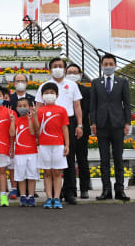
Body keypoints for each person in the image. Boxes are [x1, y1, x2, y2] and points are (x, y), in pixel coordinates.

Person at [35, 57, 83, 205]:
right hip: (48, 125)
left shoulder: (72, 85)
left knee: (68, 158)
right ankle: (55, 195)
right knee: (51, 165)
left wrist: (79, 124)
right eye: (54, 66)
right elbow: (37, 107)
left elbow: (77, 106)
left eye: (60, 66)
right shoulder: (44, 86)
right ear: (50, 69)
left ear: (64, 68)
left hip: (67, 121)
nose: (57, 68)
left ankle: (70, 192)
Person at [90, 53, 131, 201]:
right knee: (104, 159)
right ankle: (106, 190)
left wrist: (127, 123)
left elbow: (127, 104)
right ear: (101, 66)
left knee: (118, 158)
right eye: (105, 64)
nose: (108, 67)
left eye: (110, 64)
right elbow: (93, 105)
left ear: (115, 65)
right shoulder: (95, 82)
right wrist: (93, 122)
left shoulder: (122, 82)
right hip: (101, 125)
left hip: (118, 124)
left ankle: (120, 190)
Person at [32, 82, 70, 209]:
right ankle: (49, 198)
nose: (49, 95)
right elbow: (36, 130)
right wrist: (35, 116)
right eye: (46, 93)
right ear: (42, 96)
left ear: (57, 95)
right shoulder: (40, 110)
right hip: (44, 145)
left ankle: (57, 198)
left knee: (57, 172)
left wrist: (67, 145)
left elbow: (65, 128)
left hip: (58, 145)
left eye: (52, 93)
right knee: (47, 173)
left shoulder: (62, 110)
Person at [64, 64, 91, 199]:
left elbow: (85, 109)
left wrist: (78, 124)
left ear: (80, 75)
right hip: (66, 127)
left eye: (75, 72)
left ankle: (84, 188)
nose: (72, 74)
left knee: (82, 159)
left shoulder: (86, 91)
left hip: (81, 128)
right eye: (70, 72)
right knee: (68, 160)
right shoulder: (64, 89)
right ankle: (69, 189)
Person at [8, 73, 37, 199]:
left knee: (30, 171)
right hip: (17, 143)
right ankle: (16, 189)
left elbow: (34, 130)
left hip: (30, 146)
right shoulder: (8, 98)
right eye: (17, 80)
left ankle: (30, 193)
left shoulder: (32, 98)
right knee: (16, 168)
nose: (20, 83)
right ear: (14, 83)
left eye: (22, 80)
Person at [10, 97, 39, 207]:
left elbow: (33, 132)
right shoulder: (16, 120)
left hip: (32, 152)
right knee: (21, 176)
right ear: (16, 108)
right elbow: (12, 134)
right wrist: (12, 121)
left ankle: (31, 196)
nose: (22, 108)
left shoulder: (31, 120)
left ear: (29, 107)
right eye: (20, 106)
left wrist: (30, 119)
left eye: (25, 106)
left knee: (31, 175)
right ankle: (22, 196)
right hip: (19, 152)